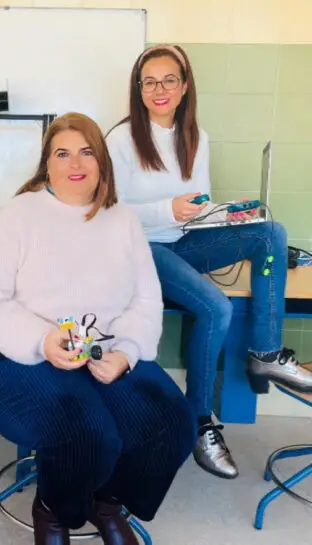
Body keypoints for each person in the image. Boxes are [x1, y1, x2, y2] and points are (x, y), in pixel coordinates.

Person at [0, 112, 196, 545]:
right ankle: (55, 509)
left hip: (102, 349)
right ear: (46, 165)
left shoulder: (123, 220)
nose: (75, 164)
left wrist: (126, 352)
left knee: (173, 424)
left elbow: (145, 299)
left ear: (102, 162)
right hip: (12, 351)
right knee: (87, 433)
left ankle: (104, 501)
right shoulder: (19, 215)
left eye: (87, 152)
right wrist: (42, 340)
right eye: (62, 153)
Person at [105, 43, 312, 481]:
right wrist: (167, 210)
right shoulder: (121, 139)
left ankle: (265, 352)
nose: (159, 89)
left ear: (184, 87)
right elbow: (109, 209)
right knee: (216, 307)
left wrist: (223, 212)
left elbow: (193, 204)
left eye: (169, 80)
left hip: (185, 242)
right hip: (142, 249)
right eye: (149, 82)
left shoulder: (196, 138)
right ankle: (200, 423)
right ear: (138, 90)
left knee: (270, 233)